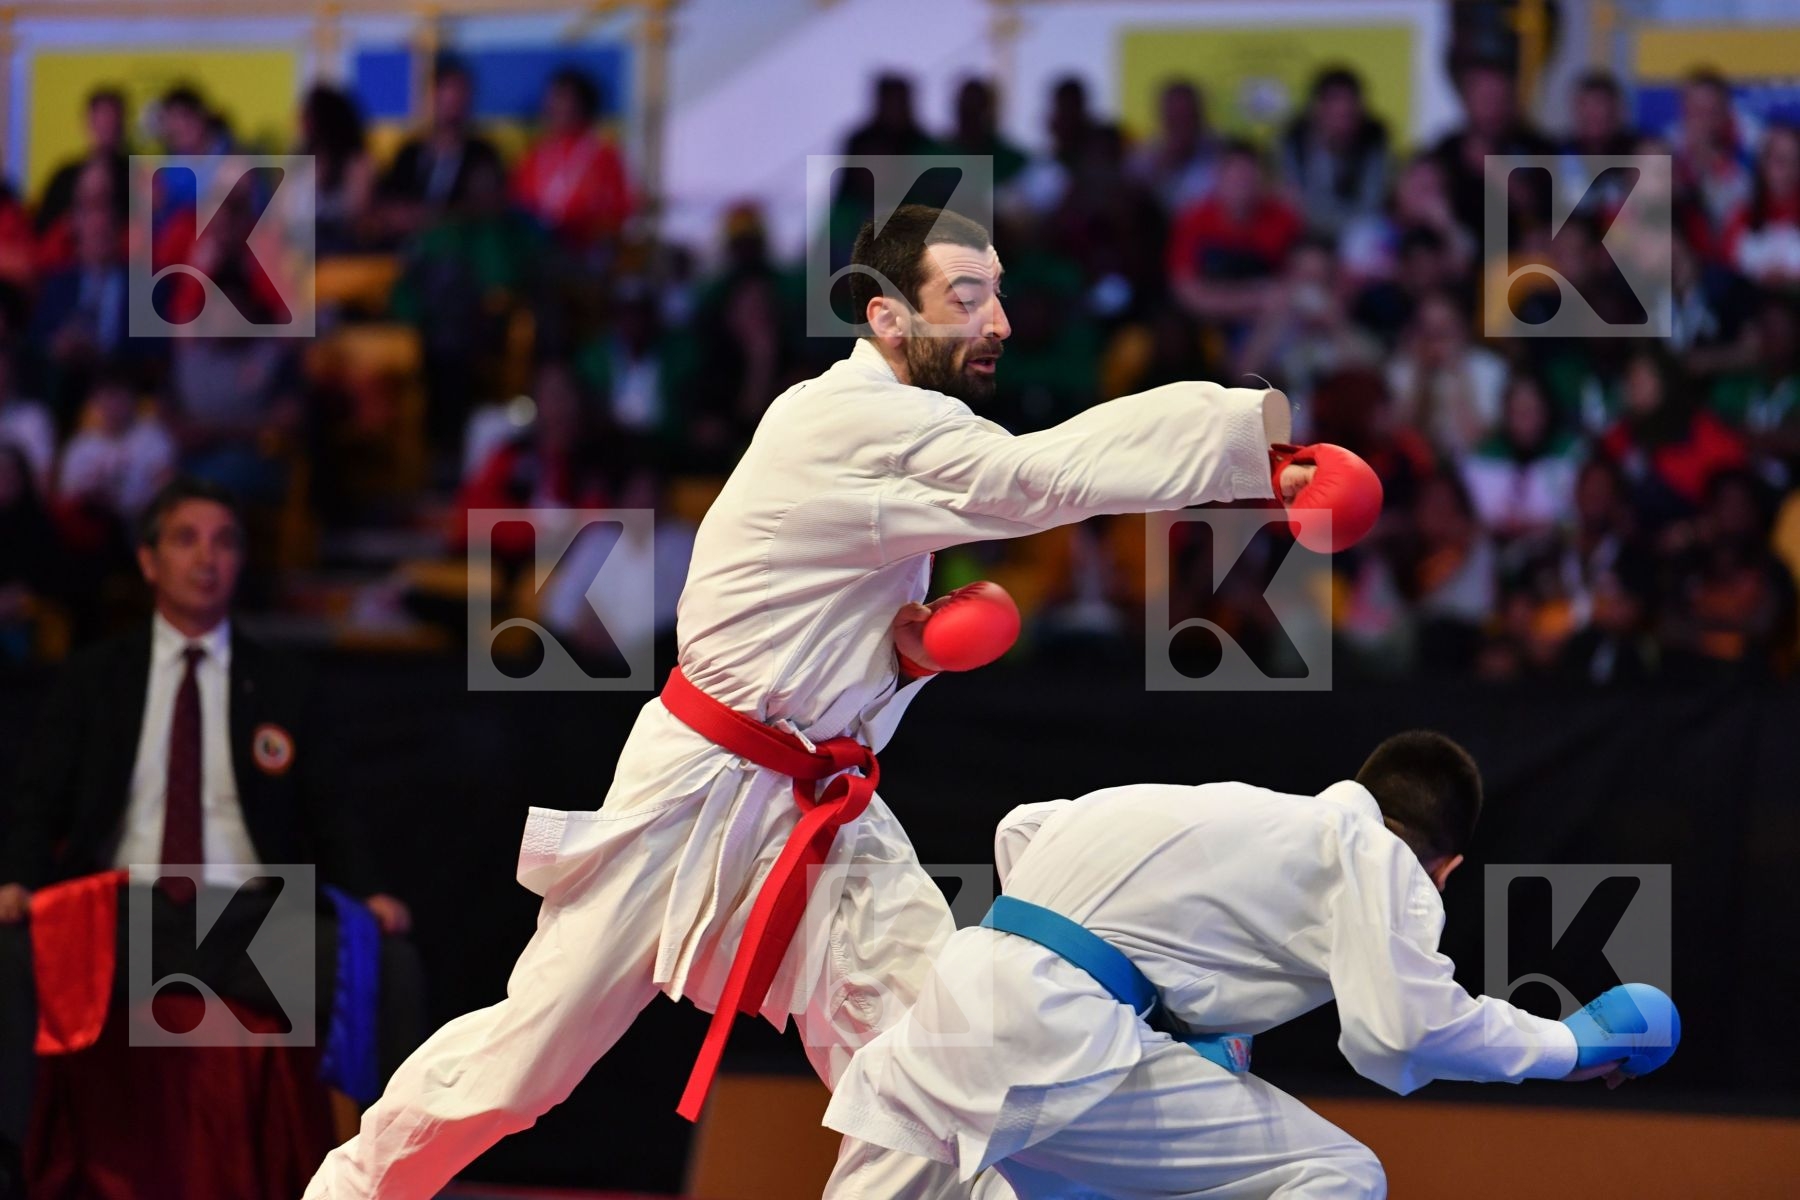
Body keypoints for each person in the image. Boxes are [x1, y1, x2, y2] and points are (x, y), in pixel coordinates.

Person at [305, 203, 1380, 1198]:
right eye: (968, 296)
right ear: (886, 313)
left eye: (999, 292)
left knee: (934, 1067)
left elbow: (819, 631)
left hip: (823, 809)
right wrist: (1262, 466)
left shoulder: (898, 431)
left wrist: (904, 661)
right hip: (696, 798)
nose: (998, 319)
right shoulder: (849, 421)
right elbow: (1029, 482)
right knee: (525, 1064)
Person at [823, 731, 1681, 1198]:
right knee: (1340, 1175)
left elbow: (1022, 829)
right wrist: (1568, 1046)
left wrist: (1158, 1017)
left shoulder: (1222, 807)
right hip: (1056, 1042)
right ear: (1445, 866)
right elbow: (1403, 1028)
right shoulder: (1377, 854)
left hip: (951, 1013)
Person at [0, 478, 419, 1189]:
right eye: (186, 539)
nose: (207, 558)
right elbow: (38, 799)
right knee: (9, 953)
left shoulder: (285, 684)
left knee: (389, 967)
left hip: (254, 920)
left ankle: (392, 1175)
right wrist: (15, 878)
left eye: (225, 542)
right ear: (147, 561)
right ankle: (9, 1172)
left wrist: (371, 891)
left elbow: (332, 812)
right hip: (127, 913)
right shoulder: (97, 677)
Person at [511, 66, 634, 252]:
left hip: (588, 256)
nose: (554, 106)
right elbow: (516, 202)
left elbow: (621, 209)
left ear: (583, 104)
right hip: (537, 253)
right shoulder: (535, 157)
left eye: (563, 98)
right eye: (552, 99)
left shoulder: (604, 156)